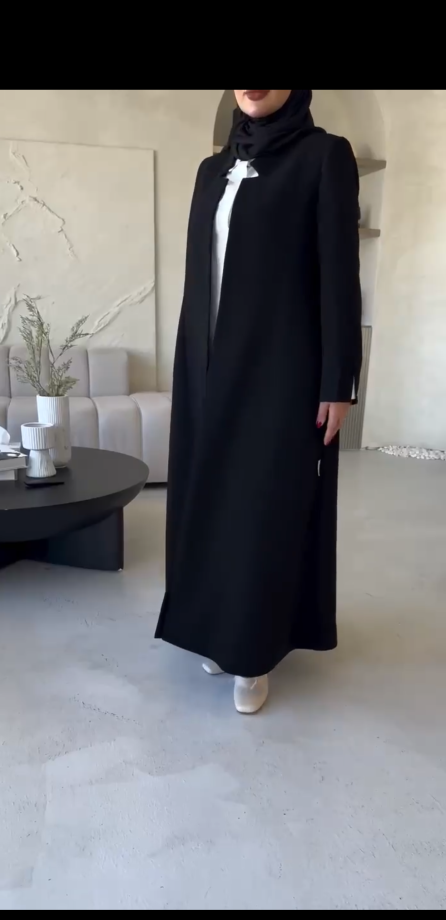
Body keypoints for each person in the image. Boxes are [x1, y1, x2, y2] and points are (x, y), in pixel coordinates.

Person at [156, 90, 362, 714]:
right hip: (206, 366)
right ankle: (211, 629)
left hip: (281, 370)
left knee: (260, 506)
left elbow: (339, 274)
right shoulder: (211, 169)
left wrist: (339, 380)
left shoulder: (324, 157)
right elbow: (200, 277)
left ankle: (253, 652)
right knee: (207, 500)